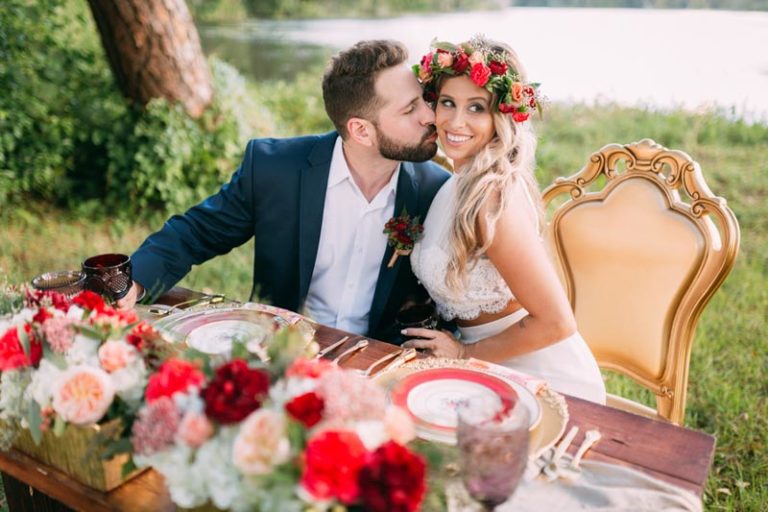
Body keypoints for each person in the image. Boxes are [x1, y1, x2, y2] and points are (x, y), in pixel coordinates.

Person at [117, 40, 450, 342]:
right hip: (279, 349)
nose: (431, 115)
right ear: (361, 130)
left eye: (424, 100)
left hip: (379, 361)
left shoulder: (436, 190)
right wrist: (134, 281)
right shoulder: (274, 170)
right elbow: (194, 234)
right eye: (410, 109)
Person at [402, 36, 606, 403]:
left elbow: (556, 323)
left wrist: (464, 355)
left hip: (541, 380)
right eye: (448, 103)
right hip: (487, 370)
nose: (456, 121)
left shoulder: (491, 197)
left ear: (502, 117)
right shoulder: (456, 183)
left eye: (476, 108)